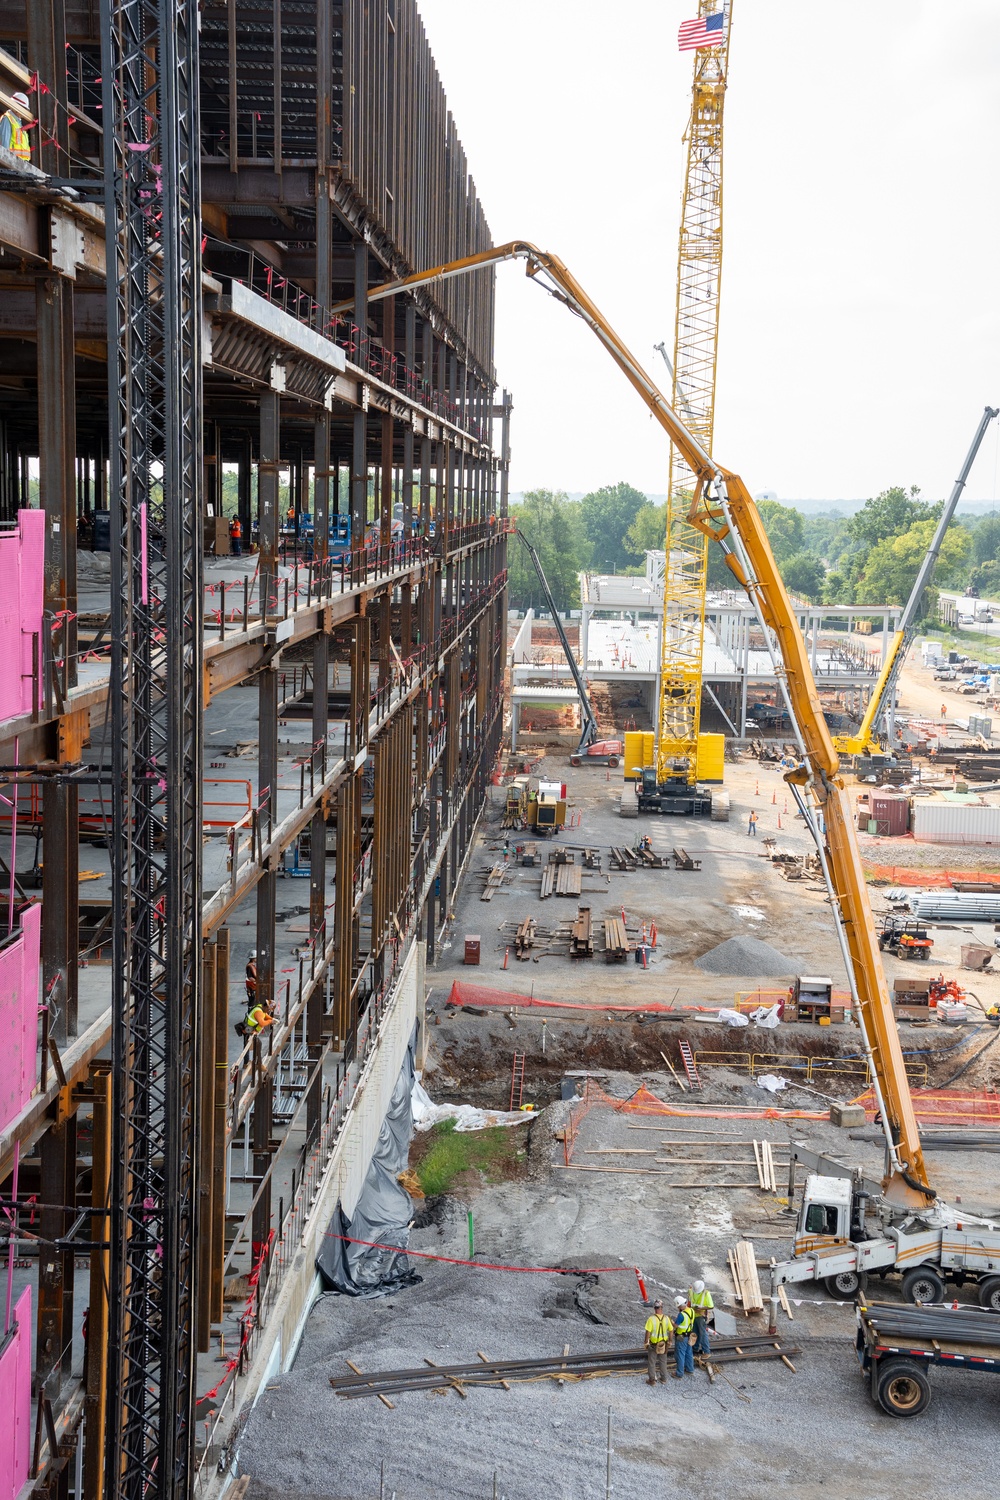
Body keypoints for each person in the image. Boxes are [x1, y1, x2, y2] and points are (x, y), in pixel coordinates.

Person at [643, 1299, 670, 1386]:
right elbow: (671, 1330)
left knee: (652, 1362)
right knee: (663, 1361)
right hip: (663, 1344)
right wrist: (670, 1341)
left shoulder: (651, 1319)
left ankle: (652, 1380)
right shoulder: (666, 1318)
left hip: (654, 1344)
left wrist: (646, 1342)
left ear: (654, 1308)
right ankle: (663, 1378)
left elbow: (648, 1331)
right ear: (662, 1308)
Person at [0, 91, 31, 162]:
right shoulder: (7, 119)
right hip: (10, 163)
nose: (24, 111)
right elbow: (4, 145)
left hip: (21, 165)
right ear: (17, 107)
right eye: (24, 108)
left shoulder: (18, 123)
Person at [689, 1280, 714, 1356]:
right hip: (694, 1315)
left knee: (703, 1334)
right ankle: (695, 1348)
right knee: (695, 1333)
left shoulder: (706, 1294)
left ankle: (706, 1351)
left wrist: (701, 1308)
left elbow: (711, 1306)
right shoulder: (692, 1291)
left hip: (701, 1315)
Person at [672, 1295, 695, 1378]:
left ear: (680, 1306)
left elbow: (676, 1326)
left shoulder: (681, 1315)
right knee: (689, 1353)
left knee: (680, 1354)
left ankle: (679, 1373)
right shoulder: (691, 1311)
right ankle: (690, 1369)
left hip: (682, 1337)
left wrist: (671, 1322)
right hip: (690, 1335)